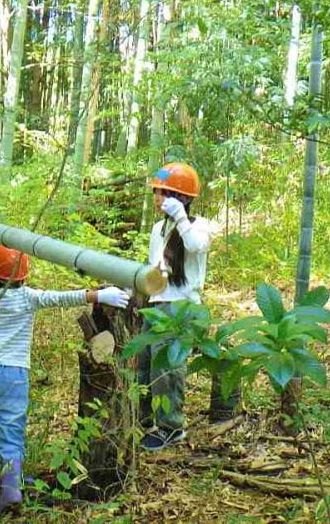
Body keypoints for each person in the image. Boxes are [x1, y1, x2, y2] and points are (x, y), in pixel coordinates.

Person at [0, 243, 129, 511]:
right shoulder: (28, 297)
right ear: (22, 275)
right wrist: (99, 295)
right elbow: (61, 298)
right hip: (13, 375)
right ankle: (11, 488)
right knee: (10, 432)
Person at [138, 162, 213, 452]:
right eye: (156, 193)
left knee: (167, 368)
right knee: (144, 364)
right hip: (156, 302)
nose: (157, 198)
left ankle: (171, 427)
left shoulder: (198, 226)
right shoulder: (158, 227)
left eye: (163, 193)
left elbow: (195, 246)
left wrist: (181, 217)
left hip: (181, 306)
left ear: (180, 197)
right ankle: (146, 421)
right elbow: (154, 266)